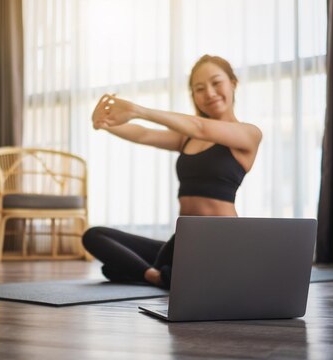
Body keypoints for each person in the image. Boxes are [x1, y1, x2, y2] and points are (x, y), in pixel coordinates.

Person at [82, 55, 262, 289]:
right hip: (184, 241)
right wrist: (104, 123)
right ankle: (157, 276)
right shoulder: (188, 137)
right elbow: (143, 134)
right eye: (199, 88)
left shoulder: (248, 133)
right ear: (194, 96)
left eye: (216, 83)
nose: (209, 93)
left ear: (233, 83)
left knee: (118, 268)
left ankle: (156, 273)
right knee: (94, 236)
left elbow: (200, 126)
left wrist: (138, 110)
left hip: (220, 241)